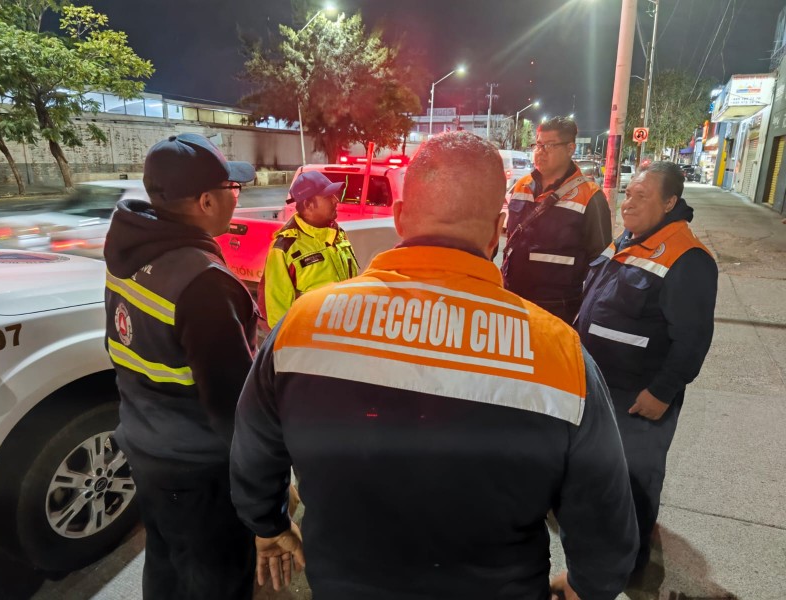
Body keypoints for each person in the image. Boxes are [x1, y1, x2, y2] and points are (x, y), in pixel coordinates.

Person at [230, 131, 638, 599]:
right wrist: (590, 585)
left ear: (400, 217)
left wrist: (267, 523)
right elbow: (606, 520)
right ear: (498, 230)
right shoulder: (559, 354)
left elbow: (253, 446)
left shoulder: (303, 325)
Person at [103, 133, 258, 599]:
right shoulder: (203, 282)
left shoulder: (129, 248)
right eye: (233, 187)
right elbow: (233, 408)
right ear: (206, 201)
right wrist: (263, 489)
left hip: (145, 447)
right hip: (198, 472)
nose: (237, 196)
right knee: (216, 581)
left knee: (166, 564)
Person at [575, 161, 718, 574]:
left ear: (670, 202)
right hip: (600, 386)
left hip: (638, 396)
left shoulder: (688, 257)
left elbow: (693, 339)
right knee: (599, 475)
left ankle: (628, 566)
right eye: (629, 193)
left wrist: (661, 392)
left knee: (634, 481)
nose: (629, 203)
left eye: (643, 196)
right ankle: (599, 551)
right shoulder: (628, 240)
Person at [501, 116, 612, 323]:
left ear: (570, 148)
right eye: (538, 145)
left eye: (550, 145)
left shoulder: (590, 196)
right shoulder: (522, 185)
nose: (540, 152)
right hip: (515, 298)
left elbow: (600, 261)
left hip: (558, 307)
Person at [258, 171, 359, 328]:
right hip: (312, 338)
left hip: (344, 331)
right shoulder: (285, 249)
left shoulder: (337, 234)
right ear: (307, 204)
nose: (336, 200)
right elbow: (277, 315)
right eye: (328, 196)